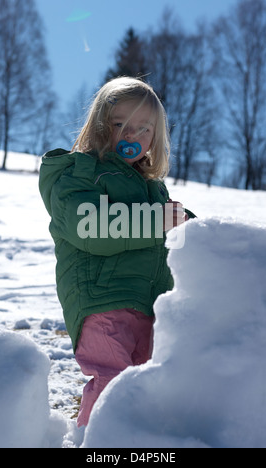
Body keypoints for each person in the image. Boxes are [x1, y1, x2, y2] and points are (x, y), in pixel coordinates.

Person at [39, 77, 192, 427]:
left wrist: (195, 230)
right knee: (113, 382)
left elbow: (175, 230)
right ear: (98, 125)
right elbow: (90, 227)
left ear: (156, 137)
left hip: (150, 306)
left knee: (146, 388)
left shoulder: (153, 188)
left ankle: (139, 445)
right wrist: (158, 221)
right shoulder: (80, 174)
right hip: (101, 300)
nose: (131, 135)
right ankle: (97, 443)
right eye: (120, 124)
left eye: (144, 129)